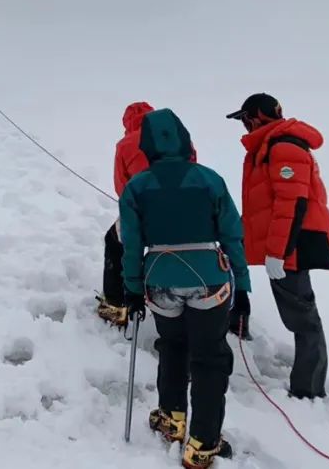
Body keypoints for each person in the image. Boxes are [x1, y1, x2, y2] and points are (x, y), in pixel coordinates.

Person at [119, 108, 249, 469]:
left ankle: (172, 417)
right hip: (210, 279)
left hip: (160, 280)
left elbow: (131, 244)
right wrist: (243, 287)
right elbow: (232, 235)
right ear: (185, 139)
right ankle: (204, 442)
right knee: (209, 357)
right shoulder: (209, 180)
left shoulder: (136, 187)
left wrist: (131, 290)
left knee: (173, 346)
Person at [226, 93, 329, 399]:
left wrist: (278, 253)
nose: (244, 127)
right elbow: (265, 204)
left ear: (257, 118)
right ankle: (237, 322)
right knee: (298, 312)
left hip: (293, 246)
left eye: (245, 120)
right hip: (285, 244)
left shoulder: (284, 148)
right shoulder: (271, 145)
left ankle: (308, 390)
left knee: (303, 318)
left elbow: (291, 205)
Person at [97, 101, 155, 327]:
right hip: (182, 211)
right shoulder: (179, 139)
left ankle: (115, 306)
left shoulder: (126, 144)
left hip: (142, 211)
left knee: (115, 243)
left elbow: (122, 188)